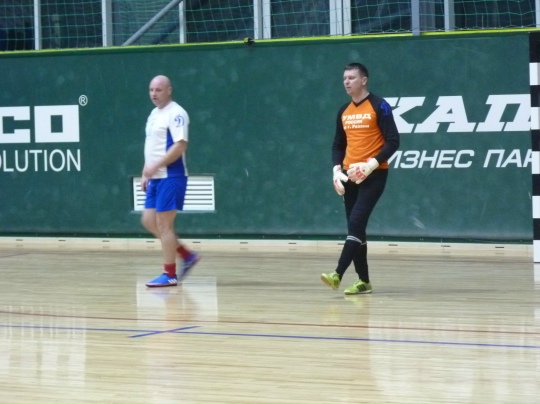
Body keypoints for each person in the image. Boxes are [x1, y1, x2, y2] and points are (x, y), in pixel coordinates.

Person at [321, 63, 399, 295]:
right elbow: (338, 145)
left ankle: (337, 274)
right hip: (349, 177)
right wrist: (337, 171)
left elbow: (393, 141)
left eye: (352, 77)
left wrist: (370, 165)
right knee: (356, 230)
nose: (346, 81)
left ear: (364, 80)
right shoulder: (344, 111)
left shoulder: (379, 105)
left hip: (374, 175)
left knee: (356, 223)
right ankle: (364, 281)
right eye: (345, 78)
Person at [142, 75, 200, 287]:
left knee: (164, 224)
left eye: (158, 90)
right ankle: (187, 255)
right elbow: (152, 145)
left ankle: (169, 274)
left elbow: (180, 145)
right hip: (155, 177)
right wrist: (146, 172)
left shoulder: (177, 113)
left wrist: (155, 166)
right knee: (149, 221)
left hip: (171, 176)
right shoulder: (153, 114)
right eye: (151, 90)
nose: (154, 94)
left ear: (169, 90)